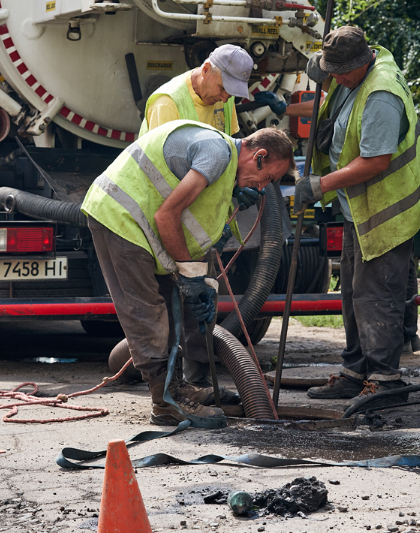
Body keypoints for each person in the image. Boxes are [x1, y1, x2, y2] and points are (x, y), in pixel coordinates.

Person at [82, 121, 295, 427]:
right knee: (146, 310)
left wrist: (234, 194)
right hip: (120, 217)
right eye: (266, 178)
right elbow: (165, 215)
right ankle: (165, 404)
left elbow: (196, 224)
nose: (261, 188)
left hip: (142, 228)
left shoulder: (224, 170)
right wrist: (191, 275)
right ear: (259, 156)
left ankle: (176, 386)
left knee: (171, 307)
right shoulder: (216, 153)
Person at [294, 26, 420, 406]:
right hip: (360, 206)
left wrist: (321, 184)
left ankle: (385, 382)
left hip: (387, 209)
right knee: (354, 293)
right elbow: (336, 96)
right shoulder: (353, 78)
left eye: (340, 73)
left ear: (361, 64)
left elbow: (375, 160)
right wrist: (323, 72)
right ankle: (356, 372)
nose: (335, 79)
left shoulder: (380, 94)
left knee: (376, 295)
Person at [140, 44, 253, 136]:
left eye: (231, 92)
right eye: (222, 88)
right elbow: (160, 162)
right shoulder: (166, 104)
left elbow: (233, 139)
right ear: (206, 69)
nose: (224, 99)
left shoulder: (227, 96)